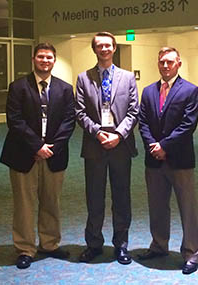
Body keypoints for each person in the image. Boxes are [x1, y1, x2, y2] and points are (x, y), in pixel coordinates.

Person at [0, 43, 76, 269]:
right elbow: (15, 120)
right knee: (24, 203)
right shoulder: (18, 87)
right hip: (24, 154)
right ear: (33, 59)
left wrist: (51, 147)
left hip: (54, 155)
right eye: (41, 57)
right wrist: (37, 146)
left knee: (51, 201)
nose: (45, 61)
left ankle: (50, 244)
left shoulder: (64, 89)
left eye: (49, 57)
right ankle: (25, 248)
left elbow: (69, 121)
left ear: (54, 61)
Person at [137, 47, 198, 274]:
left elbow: (188, 124)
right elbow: (142, 122)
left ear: (179, 64)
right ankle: (158, 245)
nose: (165, 66)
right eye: (162, 62)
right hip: (153, 160)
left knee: (188, 208)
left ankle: (192, 252)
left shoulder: (191, 90)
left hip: (180, 160)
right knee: (156, 207)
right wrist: (153, 146)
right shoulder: (147, 91)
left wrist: (164, 146)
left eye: (170, 62)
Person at [75, 32, 139, 264]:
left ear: (114, 48)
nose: (104, 49)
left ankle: (121, 245)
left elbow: (134, 111)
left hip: (120, 146)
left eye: (108, 46)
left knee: (122, 196)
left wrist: (119, 135)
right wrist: (97, 132)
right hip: (95, 145)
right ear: (95, 50)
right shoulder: (83, 78)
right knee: (94, 197)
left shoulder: (127, 77)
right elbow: (79, 112)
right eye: (99, 46)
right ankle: (93, 244)